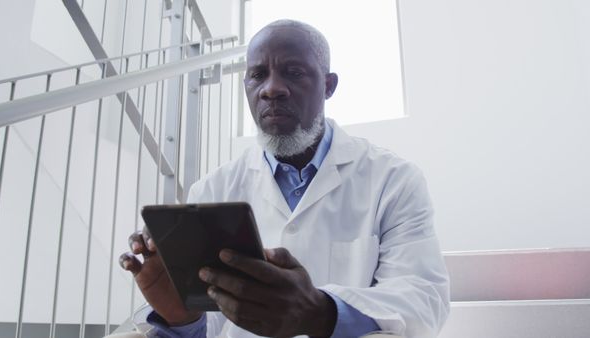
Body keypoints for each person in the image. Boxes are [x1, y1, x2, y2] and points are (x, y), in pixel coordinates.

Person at [119, 19, 450, 338]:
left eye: (294, 73)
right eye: (257, 75)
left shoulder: (393, 180)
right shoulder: (211, 189)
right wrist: (181, 318)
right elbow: (213, 327)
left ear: (329, 85)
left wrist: (321, 312)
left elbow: (423, 301)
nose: (272, 89)